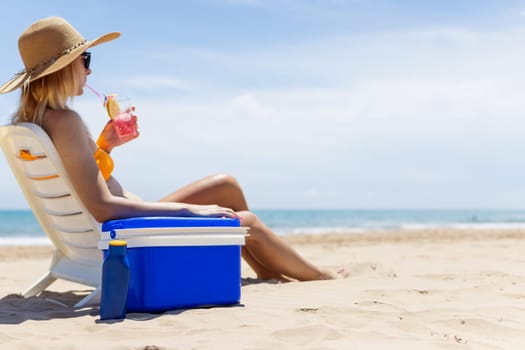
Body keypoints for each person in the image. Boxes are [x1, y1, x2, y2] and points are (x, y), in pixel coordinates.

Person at [0, 17, 332, 282]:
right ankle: (321, 276)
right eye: (85, 59)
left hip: (130, 219)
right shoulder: (67, 121)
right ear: (63, 67)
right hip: (132, 233)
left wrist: (105, 146)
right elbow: (100, 207)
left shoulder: (38, 120)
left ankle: (265, 270)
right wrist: (191, 212)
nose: (89, 69)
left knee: (225, 185)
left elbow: (81, 183)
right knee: (245, 221)